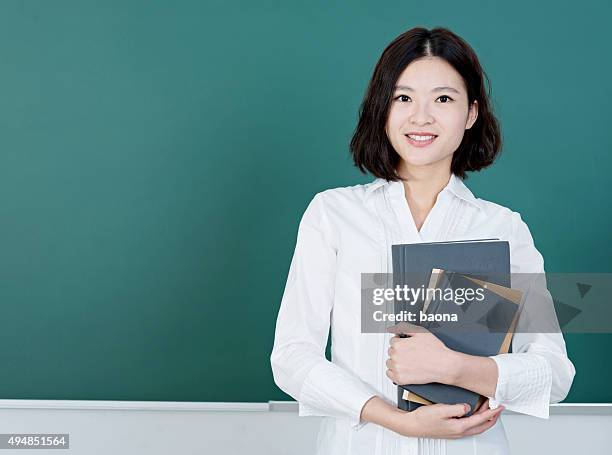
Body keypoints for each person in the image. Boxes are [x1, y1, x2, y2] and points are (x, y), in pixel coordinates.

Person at [270, 26, 575, 455]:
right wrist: (395, 420)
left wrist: (456, 368)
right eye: (403, 98)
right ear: (382, 108)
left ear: (471, 113)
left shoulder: (503, 230)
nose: (421, 117)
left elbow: (554, 373)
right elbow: (292, 356)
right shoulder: (334, 215)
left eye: (444, 99)